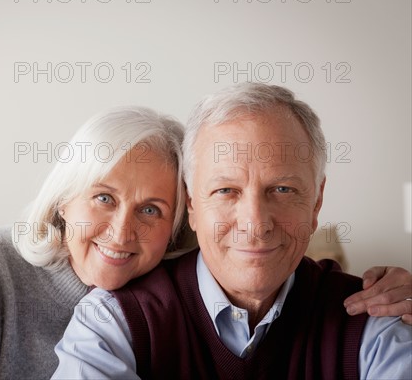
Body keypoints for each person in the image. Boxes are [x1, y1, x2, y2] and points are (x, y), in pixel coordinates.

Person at [0, 105, 410, 379]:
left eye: (151, 210)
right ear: (63, 200)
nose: (123, 231)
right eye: (102, 198)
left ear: (179, 220)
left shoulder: (187, 277)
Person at [53, 83, 412, 379]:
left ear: (316, 203)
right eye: (226, 191)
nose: (255, 224)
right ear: (191, 204)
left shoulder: (375, 323)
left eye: (283, 190)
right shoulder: (113, 323)